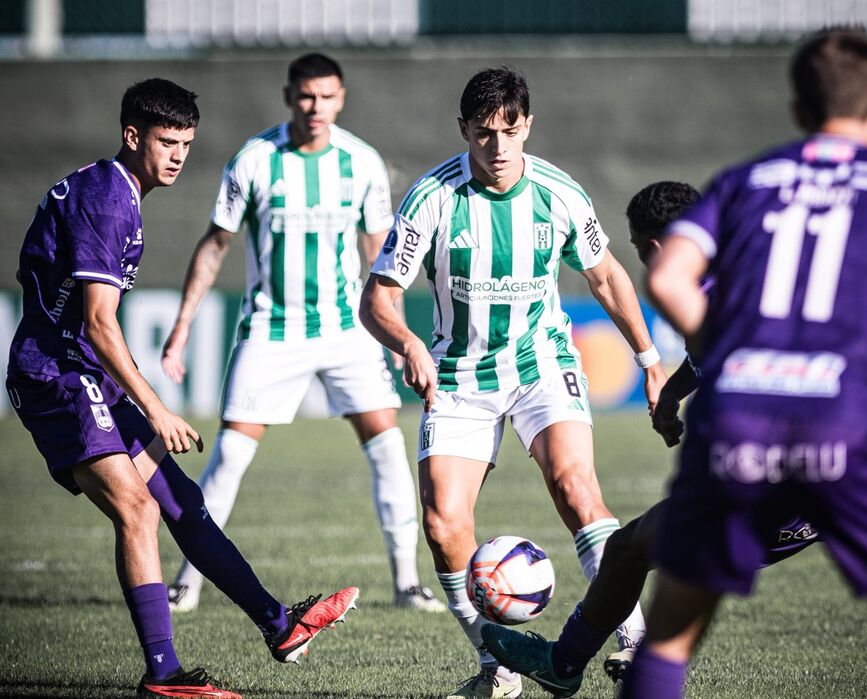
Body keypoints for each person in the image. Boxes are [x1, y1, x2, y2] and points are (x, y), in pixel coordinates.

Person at [4, 79, 359, 699]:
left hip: (83, 366)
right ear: (132, 135)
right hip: (56, 373)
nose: (178, 155)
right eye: (167, 141)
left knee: (182, 502)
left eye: (187, 144)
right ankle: (163, 676)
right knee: (137, 510)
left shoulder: (118, 192)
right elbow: (98, 321)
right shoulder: (109, 198)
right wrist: (158, 407)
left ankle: (281, 626)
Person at [629, 28, 867, 699]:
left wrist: (739, 349)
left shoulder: (746, 180)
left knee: (668, 639)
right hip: (843, 421)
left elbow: (668, 279)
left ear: (797, 113)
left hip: (736, 417)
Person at [359, 66, 668, 698]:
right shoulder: (431, 198)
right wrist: (411, 343)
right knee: (445, 525)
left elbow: (606, 276)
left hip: (541, 365)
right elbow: (378, 300)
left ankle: (633, 640)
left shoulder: (559, 194)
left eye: (509, 131)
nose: (497, 149)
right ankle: (496, 668)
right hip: (458, 374)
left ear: (527, 124)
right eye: (481, 134)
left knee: (576, 487)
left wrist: (649, 358)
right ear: (463, 131)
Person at [478, 180, 819, 698]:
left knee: (668, 608)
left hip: (774, 488)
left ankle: (574, 664)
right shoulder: (744, 269)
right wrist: (672, 393)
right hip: (830, 476)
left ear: (655, 247)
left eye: (636, 249)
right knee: (626, 549)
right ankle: (564, 664)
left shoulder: (700, 292)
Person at [160, 52, 443, 614]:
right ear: (289, 96)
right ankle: (188, 581)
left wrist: (393, 337)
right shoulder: (254, 160)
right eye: (306, 96)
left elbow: (379, 253)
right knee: (229, 458)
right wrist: (181, 328)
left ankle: (408, 584)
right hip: (272, 330)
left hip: (347, 329)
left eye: (327, 96)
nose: (316, 107)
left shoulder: (362, 162)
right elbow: (215, 246)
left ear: (341, 99)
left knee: (388, 449)